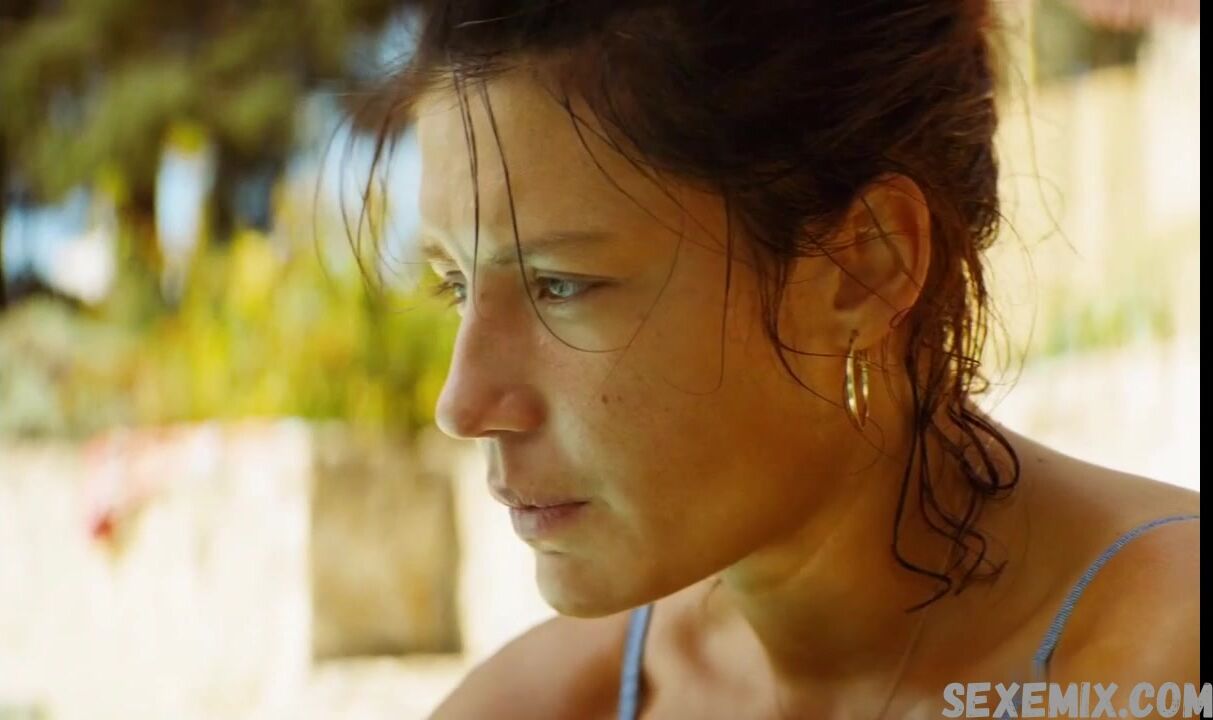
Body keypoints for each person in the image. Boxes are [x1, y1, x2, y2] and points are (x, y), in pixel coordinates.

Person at [361, 2, 1200, 717]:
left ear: (861, 269)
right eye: (455, 285)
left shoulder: (1162, 657)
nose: (462, 404)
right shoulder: (536, 703)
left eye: (560, 284)